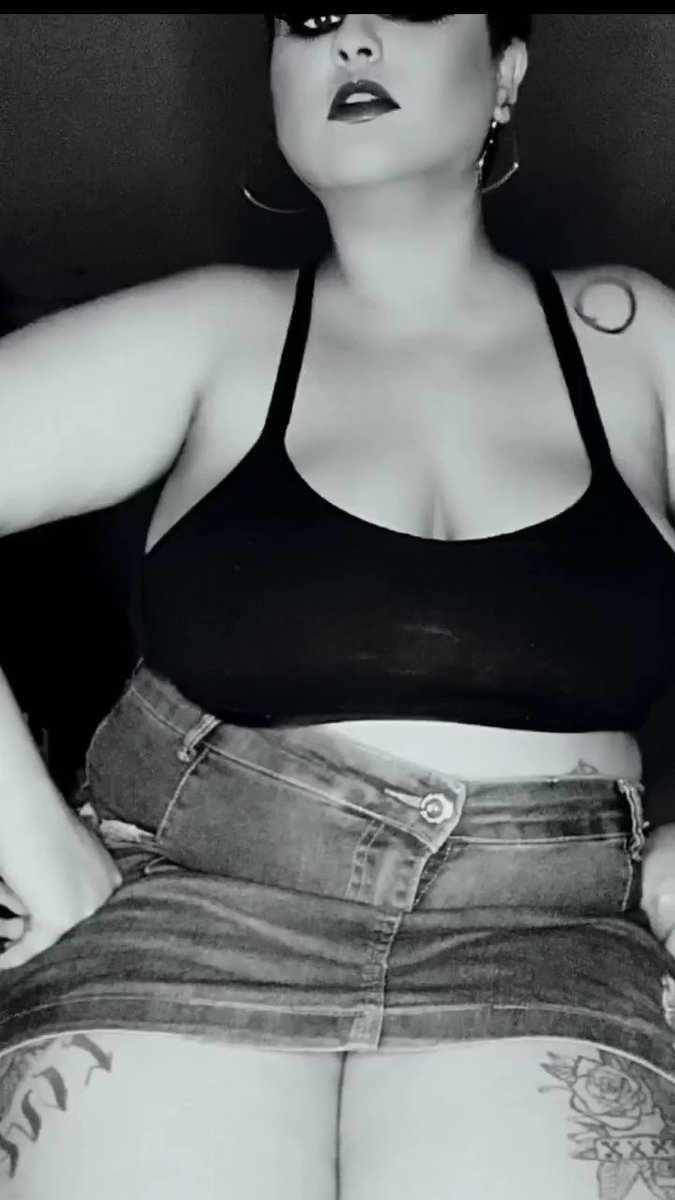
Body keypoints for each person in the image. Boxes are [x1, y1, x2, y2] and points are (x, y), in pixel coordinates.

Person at [1, 12, 675, 1199]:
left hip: (548, 938)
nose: (349, 36)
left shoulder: (633, 336)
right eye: (308, 17)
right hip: (196, 902)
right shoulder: (213, 331)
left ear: (507, 73)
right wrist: (37, 850)